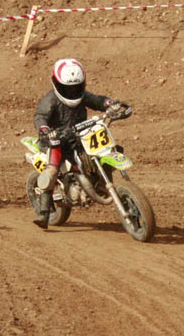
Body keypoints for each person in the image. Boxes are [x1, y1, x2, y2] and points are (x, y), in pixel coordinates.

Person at [31, 58, 130, 229]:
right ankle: (44, 213)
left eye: (76, 87)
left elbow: (97, 100)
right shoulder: (50, 100)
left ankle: (99, 183)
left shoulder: (83, 96)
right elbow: (40, 117)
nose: (72, 91)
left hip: (79, 136)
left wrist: (109, 104)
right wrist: (46, 130)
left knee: (105, 151)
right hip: (55, 141)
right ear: (56, 83)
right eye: (67, 88)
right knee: (52, 170)